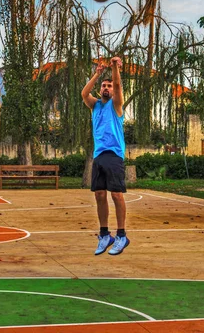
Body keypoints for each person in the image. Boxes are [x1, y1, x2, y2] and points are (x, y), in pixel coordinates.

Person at [81, 56, 130, 256]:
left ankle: (121, 235)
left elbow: (118, 87)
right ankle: (104, 235)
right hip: (99, 155)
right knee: (99, 194)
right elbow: (84, 93)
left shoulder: (116, 105)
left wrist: (115, 68)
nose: (107, 88)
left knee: (116, 195)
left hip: (114, 155)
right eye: (104, 86)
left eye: (109, 86)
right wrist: (97, 74)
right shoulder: (95, 106)